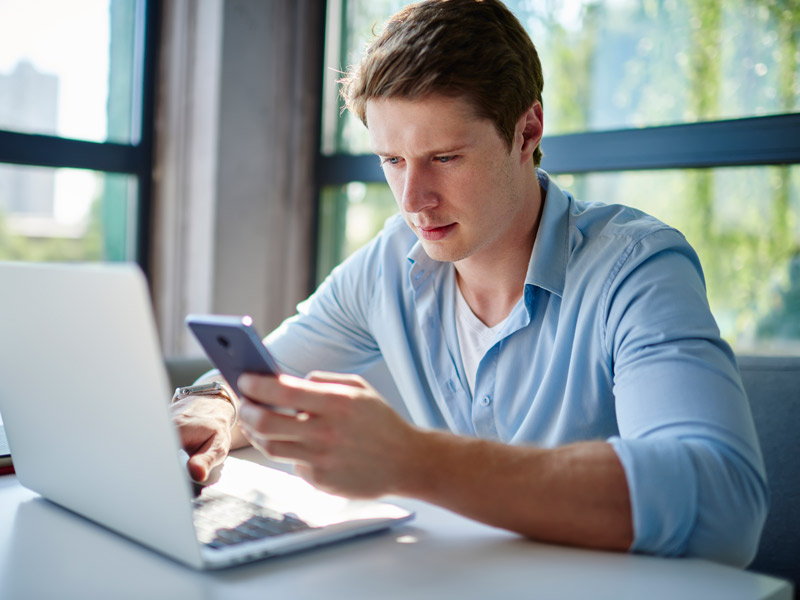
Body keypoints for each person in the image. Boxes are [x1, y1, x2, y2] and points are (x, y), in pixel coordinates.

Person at [171, 0, 768, 566]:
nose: (414, 201)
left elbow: (725, 507)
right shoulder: (388, 265)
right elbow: (259, 375)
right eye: (393, 161)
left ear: (527, 128)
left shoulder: (635, 267)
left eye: (446, 158)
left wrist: (414, 460)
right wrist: (213, 403)